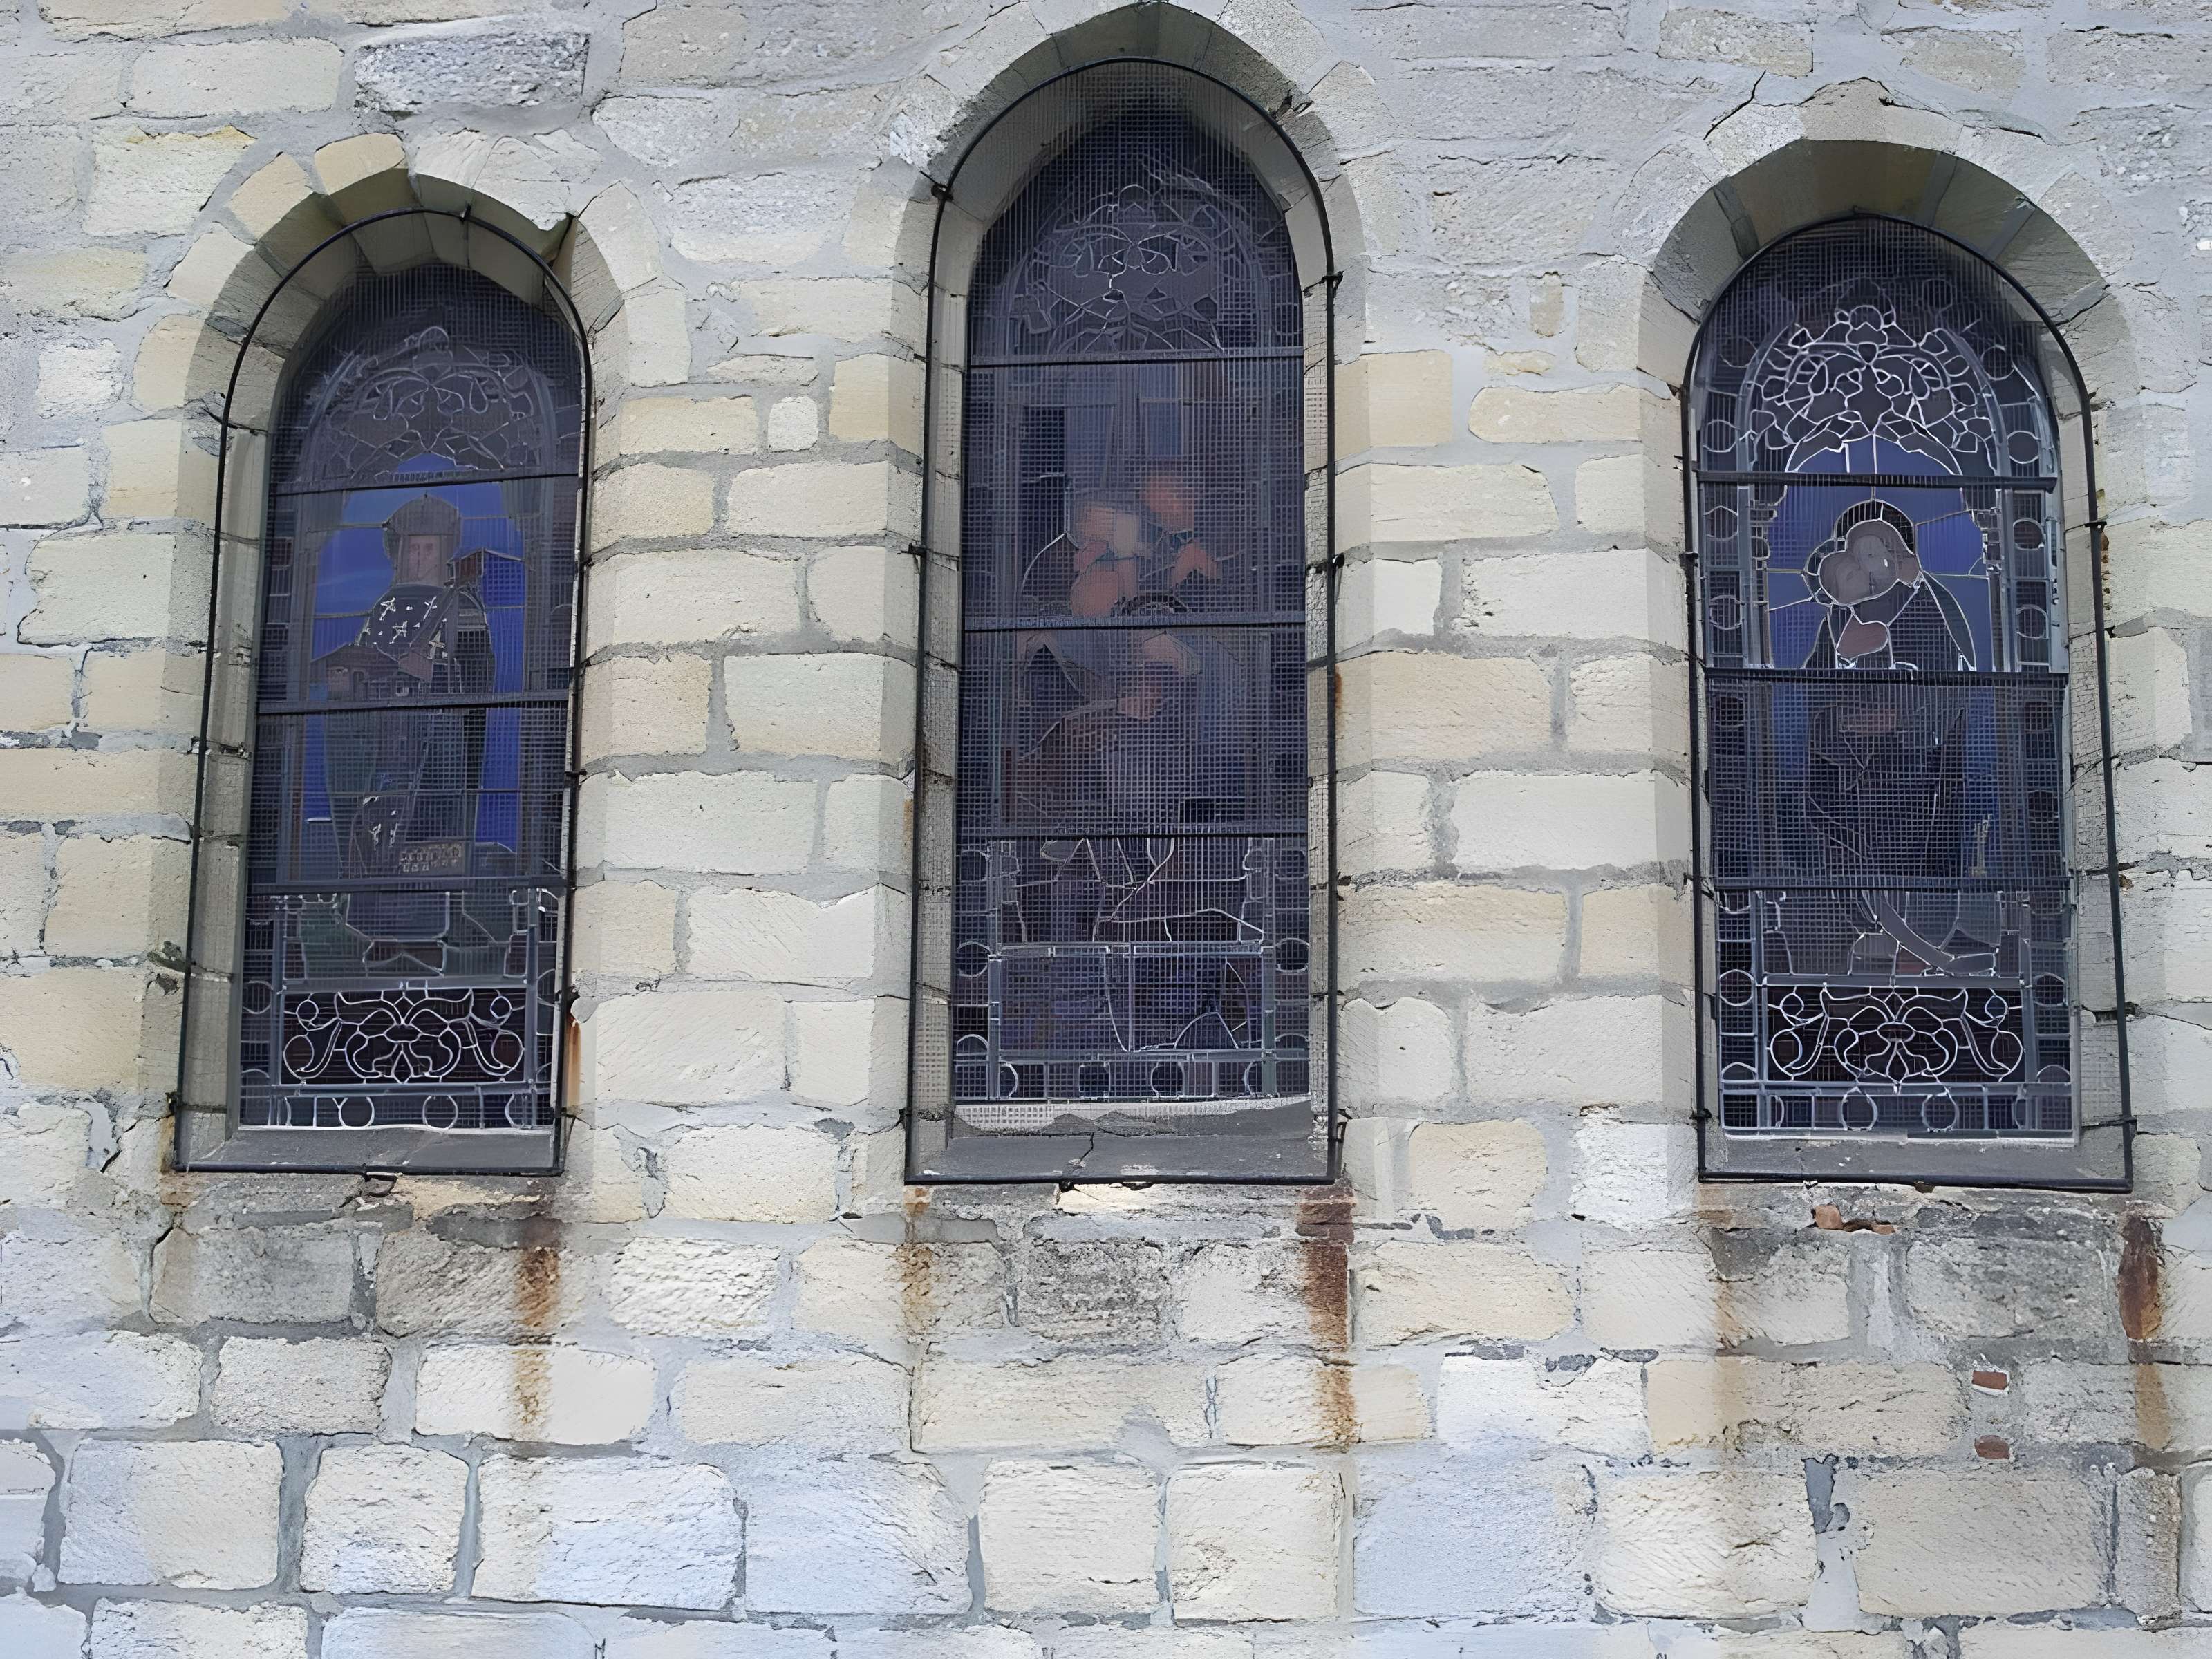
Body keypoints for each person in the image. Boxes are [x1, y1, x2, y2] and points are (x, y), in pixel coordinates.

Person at [1790, 501, 1998, 978]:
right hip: (1856, 771)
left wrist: (1901, 717)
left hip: (1920, 767)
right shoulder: (1837, 623)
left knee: (1919, 850)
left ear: (1902, 555)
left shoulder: (1930, 605)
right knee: (1863, 850)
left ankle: (1923, 948)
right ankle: (1883, 938)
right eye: (1855, 556)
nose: (1865, 566)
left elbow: (1954, 683)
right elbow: (1814, 693)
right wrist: (1843, 670)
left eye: (1874, 553)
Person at [313, 493, 502, 974]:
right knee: (380, 836)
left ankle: (436, 925)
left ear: (445, 553)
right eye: (412, 550)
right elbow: (365, 664)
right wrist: (350, 681)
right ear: (398, 554)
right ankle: (377, 932)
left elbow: (480, 677)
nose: (419, 559)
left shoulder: (462, 605)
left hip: (440, 743)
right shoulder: (388, 605)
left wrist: (435, 675)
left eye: (428, 550)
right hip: (388, 743)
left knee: (432, 830)